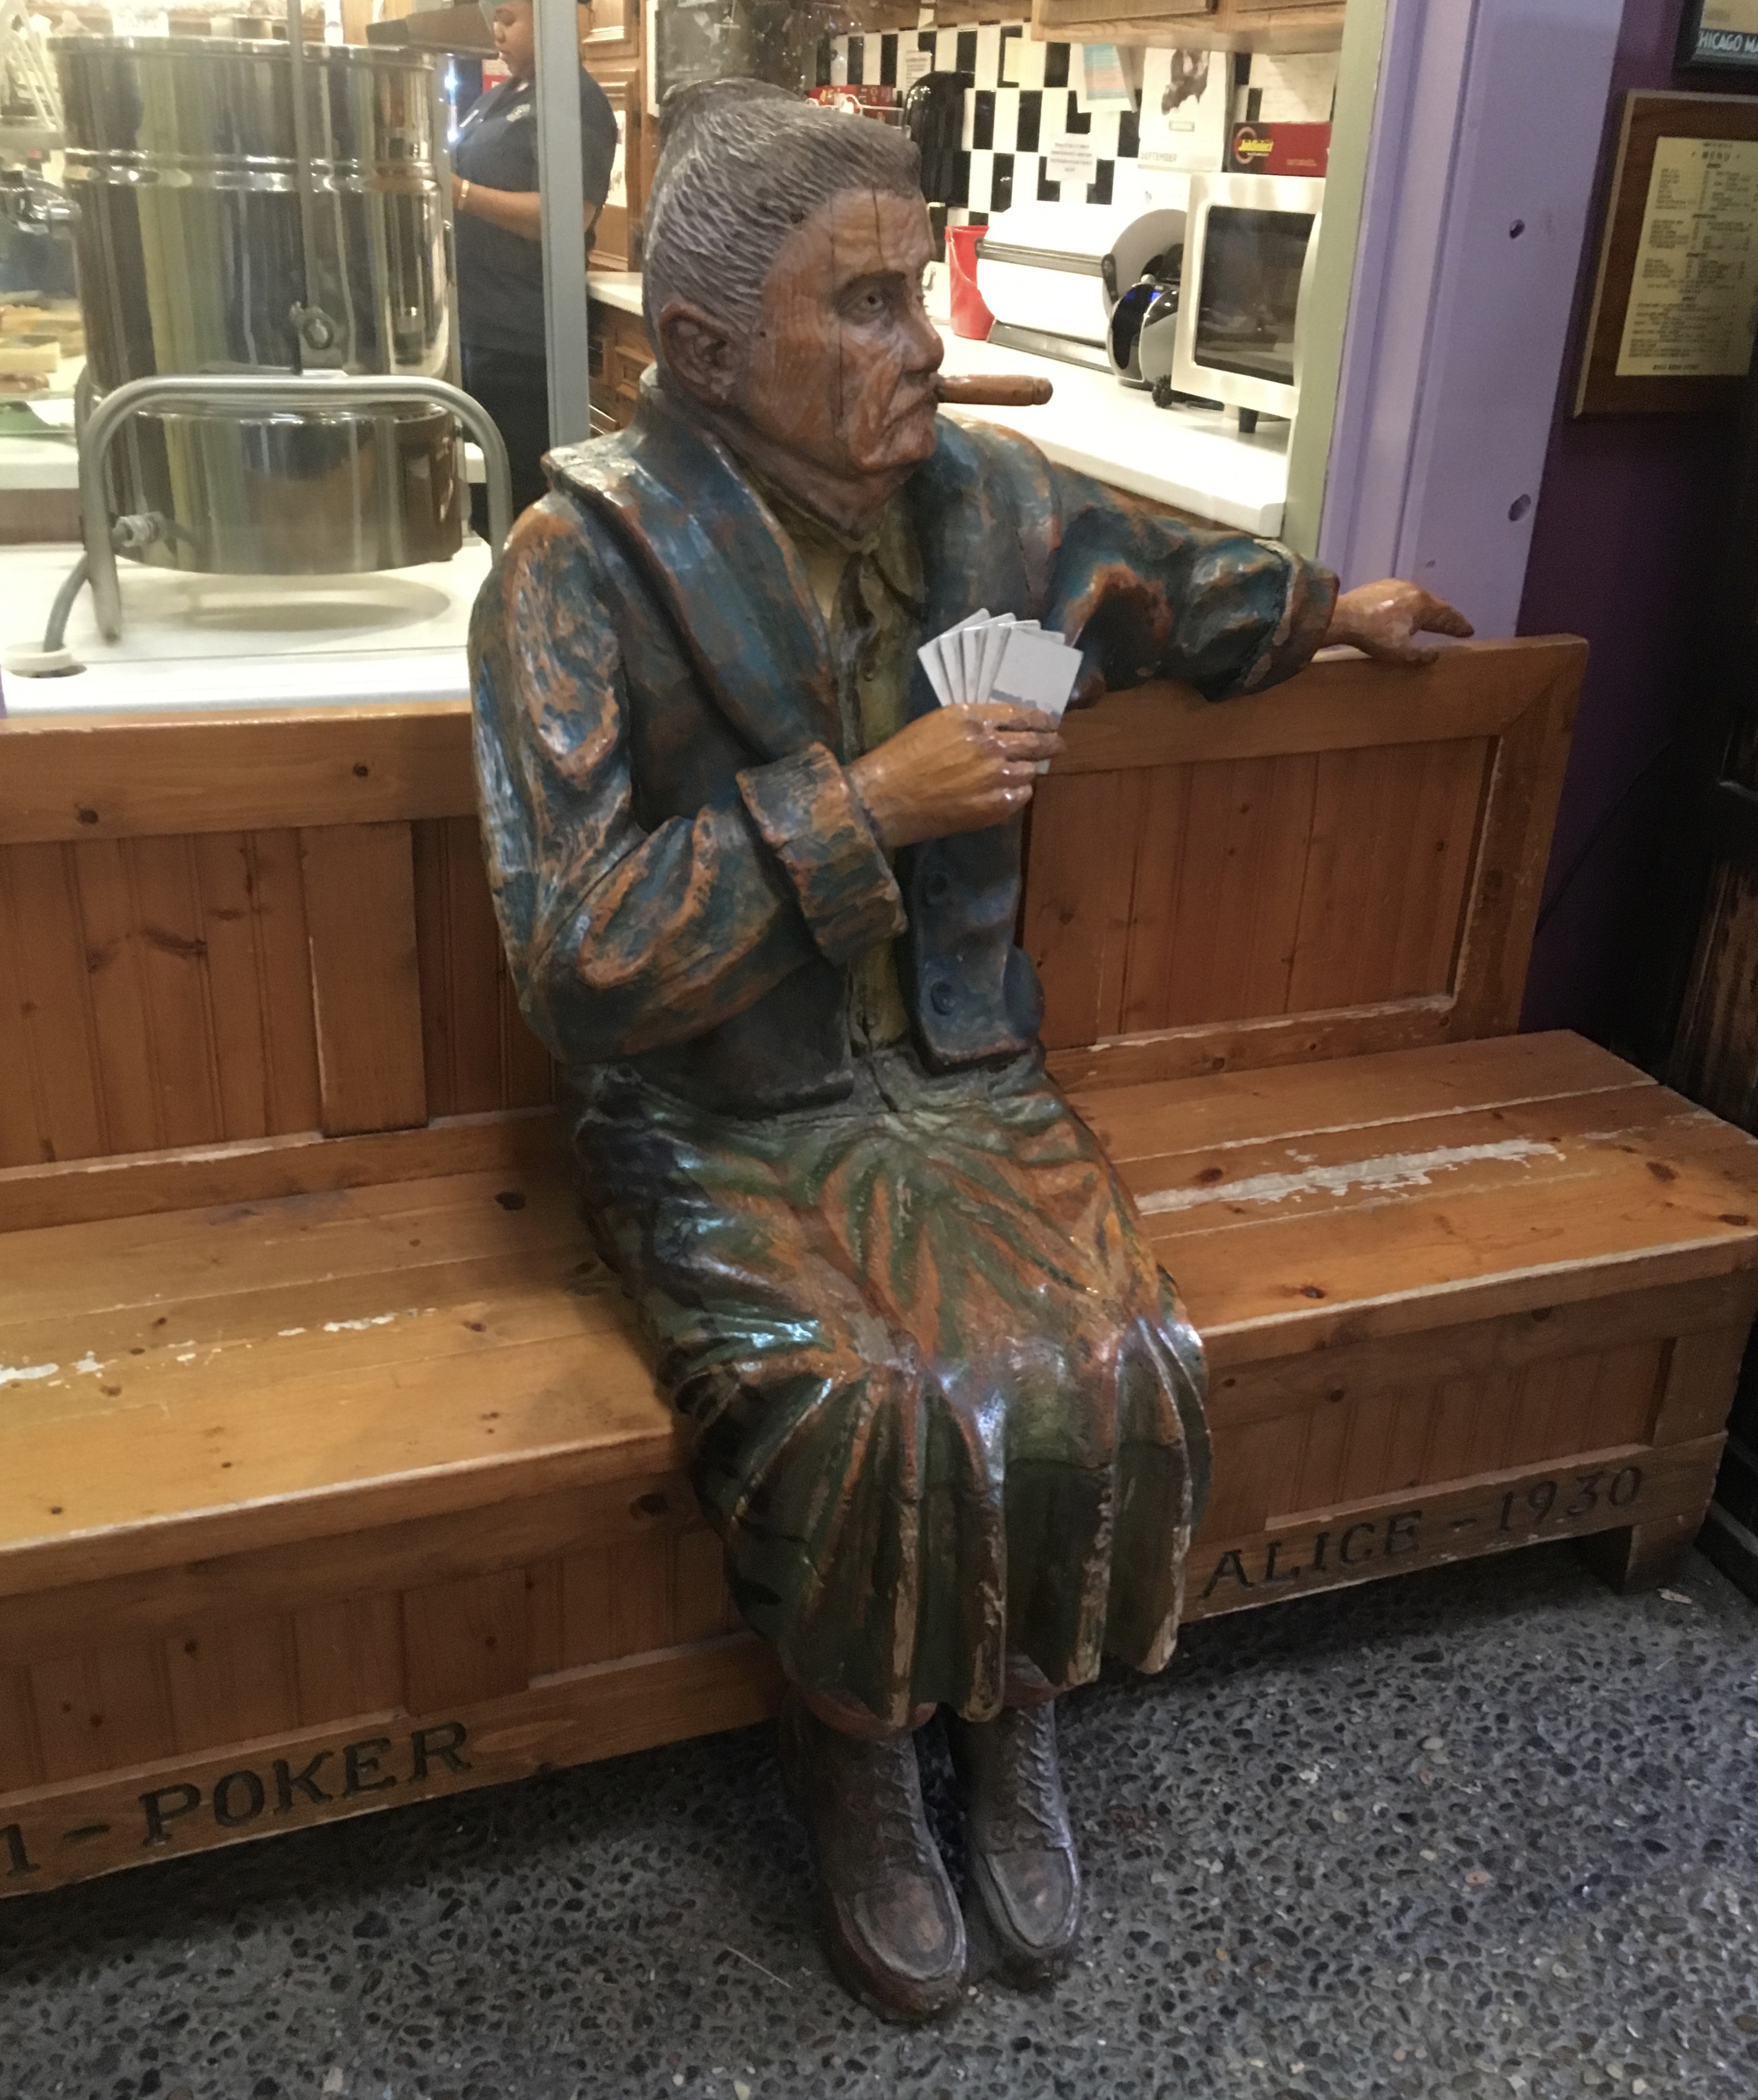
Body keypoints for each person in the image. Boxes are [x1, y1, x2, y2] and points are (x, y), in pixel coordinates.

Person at [469, 81, 1471, 2023]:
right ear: (702, 351)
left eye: (915, 291)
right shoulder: (573, 564)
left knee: (1112, 1352)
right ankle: (855, 1748)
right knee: (854, 1395)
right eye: (864, 306)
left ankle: (1015, 1714)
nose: (923, 344)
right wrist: (866, 806)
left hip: (960, 1073)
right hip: (720, 1105)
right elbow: (576, 955)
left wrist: (1328, 609)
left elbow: (1161, 584)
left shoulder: (991, 506)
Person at [452, 0, 618, 521]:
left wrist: (460, 194)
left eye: (509, 19)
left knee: (520, 500)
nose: (497, 33)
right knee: (480, 499)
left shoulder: (575, 100)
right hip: (476, 329)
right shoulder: (497, 98)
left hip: (525, 340)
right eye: (494, 20)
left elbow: (567, 215)